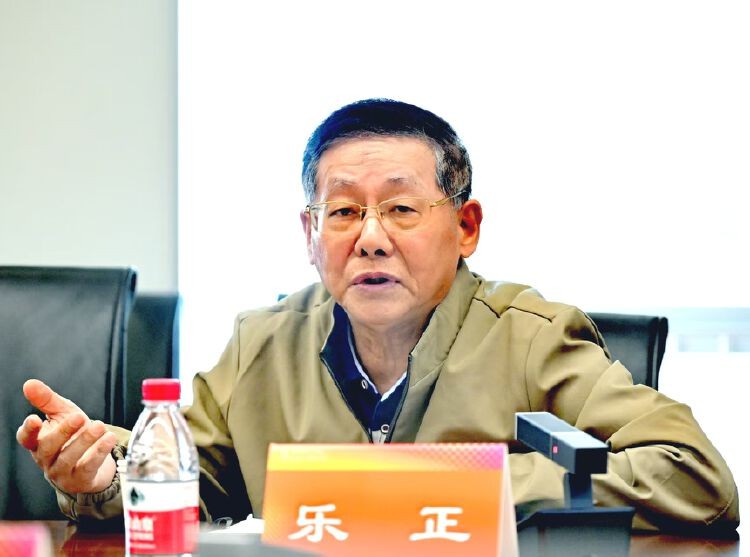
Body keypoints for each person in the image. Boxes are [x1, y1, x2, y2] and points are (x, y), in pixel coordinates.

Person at [17, 99, 739, 533]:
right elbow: (190, 487)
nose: (369, 236)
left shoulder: (533, 338)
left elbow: (695, 475)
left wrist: (474, 488)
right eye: (342, 211)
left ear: (465, 227)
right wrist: (101, 477)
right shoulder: (262, 343)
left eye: (399, 207)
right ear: (309, 234)